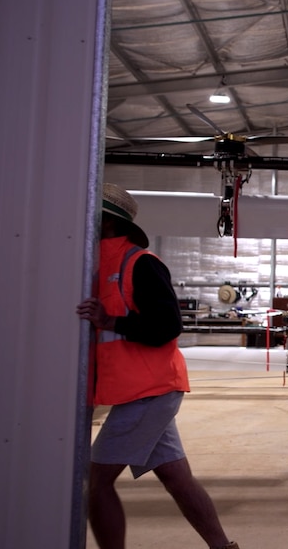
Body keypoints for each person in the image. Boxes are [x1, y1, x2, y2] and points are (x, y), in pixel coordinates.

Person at [77, 183, 239, 549]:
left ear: (108, 224)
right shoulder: (101, 267)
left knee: (96, 482)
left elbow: (167, 326)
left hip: (148, 392)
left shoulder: (140, 263)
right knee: (176, 479)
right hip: (141, 391)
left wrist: (110, 321)